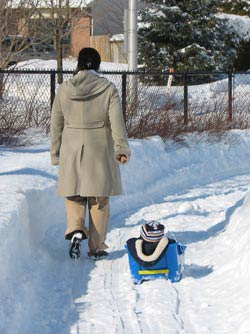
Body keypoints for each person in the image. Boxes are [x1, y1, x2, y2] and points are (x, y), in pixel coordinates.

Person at [50, 47, 130, 260]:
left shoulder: (64, 89)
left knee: (75, 194)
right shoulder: (108, 88)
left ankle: (76, 228)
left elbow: (56, 123)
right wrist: (121, 148)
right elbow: (117, 123)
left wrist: (55, 152)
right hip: (99, 148)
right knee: (99, 200)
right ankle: (96, 247)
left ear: (78, 64)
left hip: (71, 147)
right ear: (98, 64)